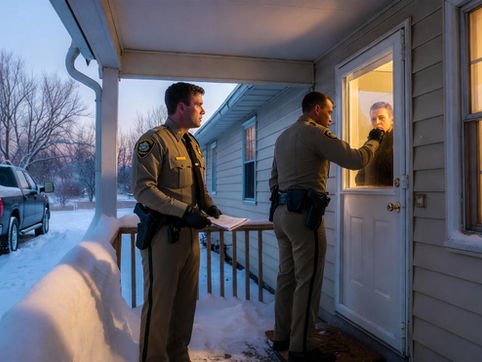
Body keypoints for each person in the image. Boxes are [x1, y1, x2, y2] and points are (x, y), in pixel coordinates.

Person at [269, 91, 383, 362]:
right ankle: (302, 348)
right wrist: (375, 139)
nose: (331, 118)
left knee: (287, 277)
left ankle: (283, 337)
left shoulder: (283, 136)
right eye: (329, 112)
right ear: (316, 109)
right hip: (304, 218)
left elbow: (273, 179)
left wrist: (283, 205)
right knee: (307, 281)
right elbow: (356, 160)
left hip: (282, 215)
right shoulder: (314, 132)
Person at [132, 82, 222, 362]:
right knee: (160, 307)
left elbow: (197, 186)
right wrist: (184, 211)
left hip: (189, 237)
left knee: (185, 304)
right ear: (181, 106)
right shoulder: (154, 141)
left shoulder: (192, 143)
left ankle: (178, 355)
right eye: (198, 104)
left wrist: (209, 205)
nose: (203, 111)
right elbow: (143, 189)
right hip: (163, 237)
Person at [355, 101, 394, 186]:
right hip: (372, 193)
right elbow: (359, 177)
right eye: (373, 119)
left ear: (391, 119)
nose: (377, 122)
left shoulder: (397, 140)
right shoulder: (370, 142)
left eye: (381, 118)